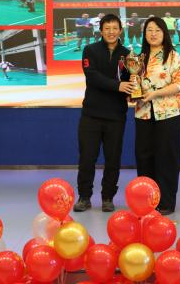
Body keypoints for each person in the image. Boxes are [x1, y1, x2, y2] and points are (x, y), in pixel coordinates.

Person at [74, 14, 134, 213]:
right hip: (91, 114)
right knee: (87, 158)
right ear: (101, 31)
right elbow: (92, 77)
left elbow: (131, 81)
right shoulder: (89, 50)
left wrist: (135, 91)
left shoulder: (127, 54)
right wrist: (118, 86)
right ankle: (84, 197)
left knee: (113, 159)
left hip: (116, 115)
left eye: (114, 28)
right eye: (107, 28)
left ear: (120, 30)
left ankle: (108, 197)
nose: (111, 32)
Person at [134, 16, 180, 215]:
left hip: (168, 113)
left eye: (157, 30)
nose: (153, 34)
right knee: (144, 156)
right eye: (149, 30)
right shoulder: (139, 58)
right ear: (144, 34)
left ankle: (165, 202)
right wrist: (132, 94)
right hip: (143, 113)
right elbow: (135, 84)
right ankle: (146, 201)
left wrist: (155, 94)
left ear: (164, 33)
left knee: (167, 157)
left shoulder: (173, 56)